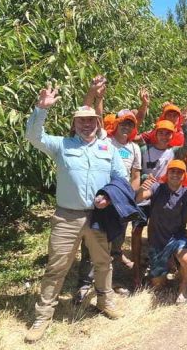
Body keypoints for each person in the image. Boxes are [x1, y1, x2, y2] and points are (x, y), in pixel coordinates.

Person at [24, 84, 128, 343]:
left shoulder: (108, 149)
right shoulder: (62, 145)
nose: (86, 124)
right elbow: (34, 136)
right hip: (67, 217)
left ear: (97, 122)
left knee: (103, 262)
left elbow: (121, 178)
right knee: (56, 267)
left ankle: (105, 300)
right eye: (81, 120)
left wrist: (109, 196)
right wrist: (41, 109)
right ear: (74, 124)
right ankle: (43, 316)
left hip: (98, 217)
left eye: (91, 120)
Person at [76, 109, 141, 301]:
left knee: (116, 245)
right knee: (91, 245)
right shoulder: (105, 140)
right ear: (116, 124)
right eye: (123, 122)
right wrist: (98, 98)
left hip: (119, 202)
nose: (126, 126)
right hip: (101, 200)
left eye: (130, 124)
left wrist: (127, 197)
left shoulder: (135, 148)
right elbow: (98, 115)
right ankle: (85, 284)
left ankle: (111, 283)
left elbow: (135, 176)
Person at [135, 160, 187, 303]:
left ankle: (183, 287)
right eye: (172, 171)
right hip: (158, 238)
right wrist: (141, 188)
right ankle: (166, 270)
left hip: (178, 236)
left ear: (184, 175)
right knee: (158, 285)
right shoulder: (157, 187)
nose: (175, 174)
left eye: (179, 172)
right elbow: (138, 199)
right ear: (167, 173)